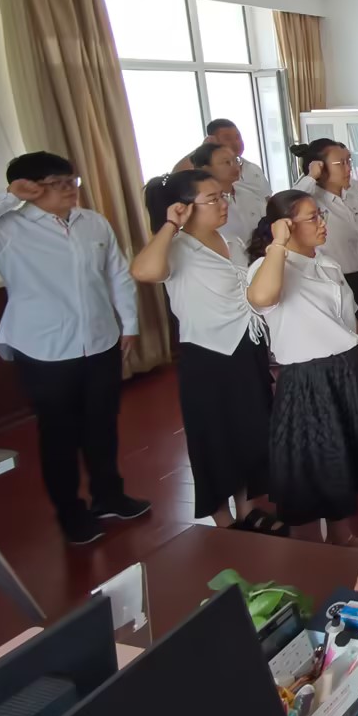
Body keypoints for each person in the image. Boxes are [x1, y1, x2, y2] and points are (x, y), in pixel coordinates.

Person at [0, 152, 149, 545]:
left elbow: (117, 274)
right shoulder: (7, 228)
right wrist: (8, 199)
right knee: (59, 435)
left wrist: (130, 324)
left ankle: (109, 496)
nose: (70, 190)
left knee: (102, 425)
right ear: (28, 188)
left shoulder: (93, 222)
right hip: (44, 349)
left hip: (100, 340)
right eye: (57, 184)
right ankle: (70, 512)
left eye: (72, 181)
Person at [245, 190, 358, 547]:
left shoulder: (326, 262)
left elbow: (348, 317)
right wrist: (278, 245)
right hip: (309, 378)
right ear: (285, 225)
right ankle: (310, 549)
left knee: (343, 461)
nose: (322, 223)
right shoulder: (270, 267)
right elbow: (262, 298)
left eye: (320, 215)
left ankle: (343, 537)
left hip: (347, 369)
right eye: (313, 217)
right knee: (313, 468)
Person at [131, 170, 270, 528]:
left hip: (246, 346)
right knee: (214, 437)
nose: (224, 204)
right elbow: (143, 272)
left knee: (249, 430)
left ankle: (248, 508)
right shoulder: (176, 248)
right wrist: (170, 226)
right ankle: (223, 518)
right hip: (208, 355)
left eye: (223, 196)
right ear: (184, 207)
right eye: (213, 199)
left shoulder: (231, 240)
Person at [291, 139, 358, 372]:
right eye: (340, 163)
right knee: (345, 344)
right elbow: (289, 202)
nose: (348, 168)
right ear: (320, 167)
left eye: (349, 161)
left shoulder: (354, 189)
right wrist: (310, 177)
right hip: (332, 280)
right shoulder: (310, 198)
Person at [174, 118, 271, 220]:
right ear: (211, 141)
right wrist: (203, 148)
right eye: (228, 138)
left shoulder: (253, 168)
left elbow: (267, 198)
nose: (235, 143)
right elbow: (177, 175)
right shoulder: (209, 173)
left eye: (238, 137)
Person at [187, 141, 262, 243]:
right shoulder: (203, 206)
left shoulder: (250, 194)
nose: (235, 166)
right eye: (227, 162)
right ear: (205, 169)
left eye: (236, 160)